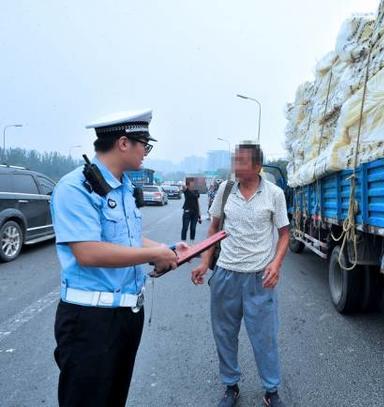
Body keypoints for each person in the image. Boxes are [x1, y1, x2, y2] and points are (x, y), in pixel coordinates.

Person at [51, 109, 187, 407]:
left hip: (127, 317)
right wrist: (154, 253)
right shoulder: (76, 187)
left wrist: (169, 250)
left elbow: (128, 239)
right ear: (124, 143)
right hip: (90, 322)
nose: (146, 154)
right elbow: (87, 251)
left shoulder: (124, 186)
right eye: (145, 145)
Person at [192, 143, 289, 407]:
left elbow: (284, 234)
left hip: (260, 279)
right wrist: (204, 262)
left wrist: (276, 265)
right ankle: (230, 386)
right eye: (235, 160)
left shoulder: (274, 194)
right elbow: (213, 229)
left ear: (257, 167)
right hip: (225, 276)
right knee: (224, 334)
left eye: (242, 161)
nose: (236, 166)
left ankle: (271, 391)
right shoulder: (224, 191)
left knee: (265, 337)